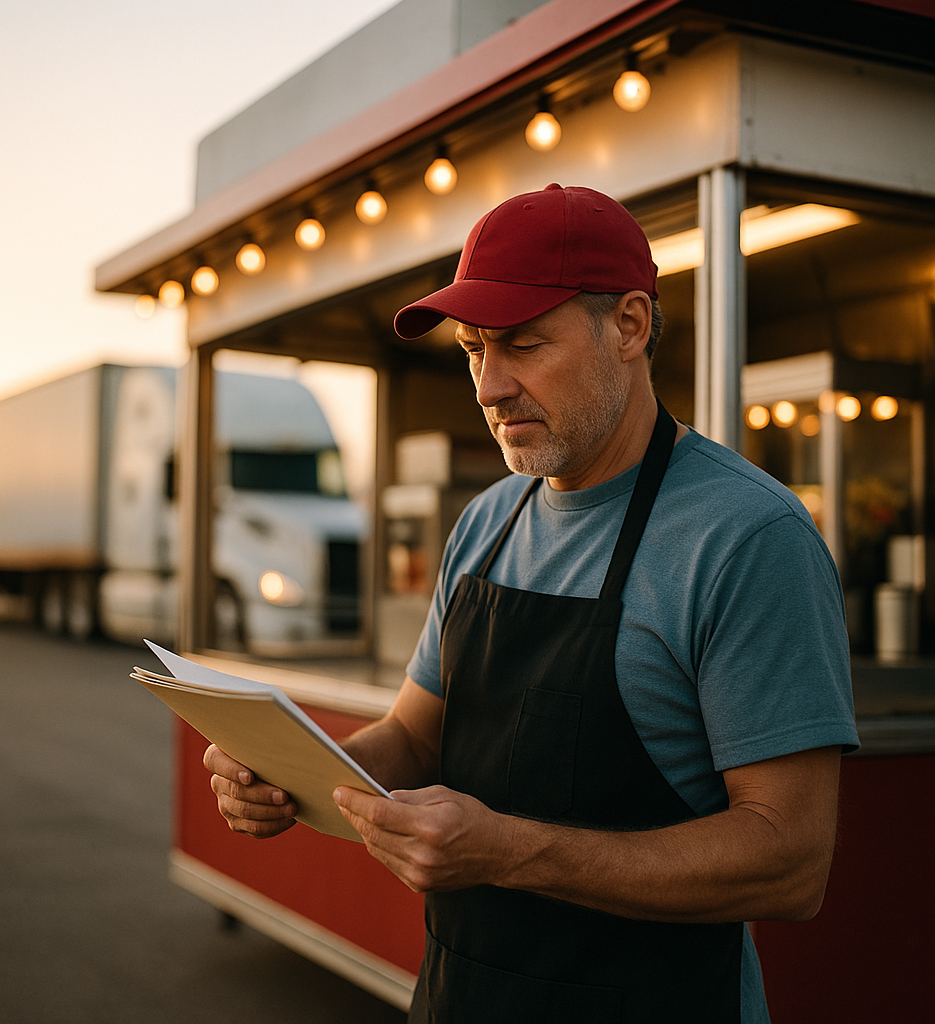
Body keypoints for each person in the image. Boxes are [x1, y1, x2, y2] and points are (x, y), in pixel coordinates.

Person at [203, 183, 859, 1023]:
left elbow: (790, 862)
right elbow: (412, 734)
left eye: (521, 345)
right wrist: (293, 775)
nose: (487, 386)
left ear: (628, 326)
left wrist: (511, 851)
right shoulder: (487, 521)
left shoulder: (746, 537)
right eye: (474, 348)